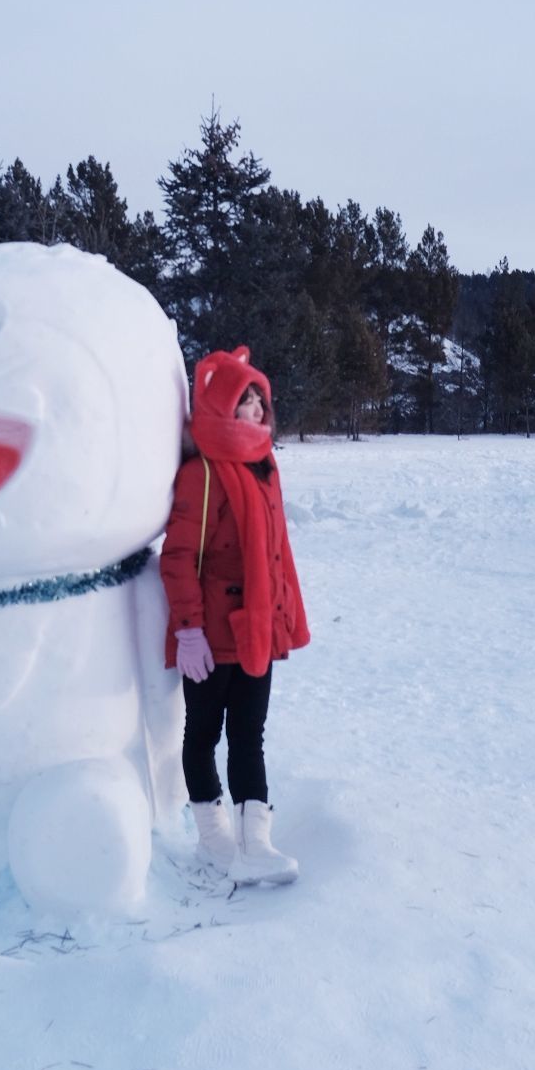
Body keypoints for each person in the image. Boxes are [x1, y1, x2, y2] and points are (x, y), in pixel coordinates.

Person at [160, 346, 310, 883]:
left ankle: (257, 844)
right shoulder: (202, 473)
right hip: (211, 634)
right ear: (223, 408)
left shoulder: (265, 465)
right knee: (202, 735)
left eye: (259, 401)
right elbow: (178, 557)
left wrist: (281, 616)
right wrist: (190, 630)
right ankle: (214, 839)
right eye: (244, 402)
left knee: (250, 734)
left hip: (255, 632)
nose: (256, 411)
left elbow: (276, 553)